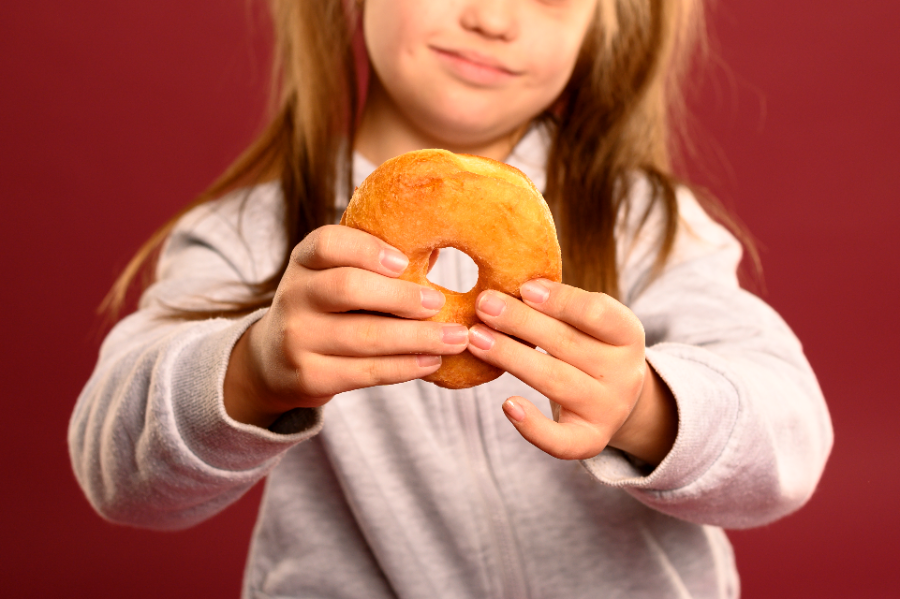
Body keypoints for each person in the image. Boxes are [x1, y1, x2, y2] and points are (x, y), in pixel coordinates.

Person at [69, 0, 833, 596]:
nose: (493, 19)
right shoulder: (254, 237)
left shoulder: (641, 225)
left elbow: (791, 442)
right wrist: (251, 371)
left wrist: (645, 406)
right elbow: (117, 474)